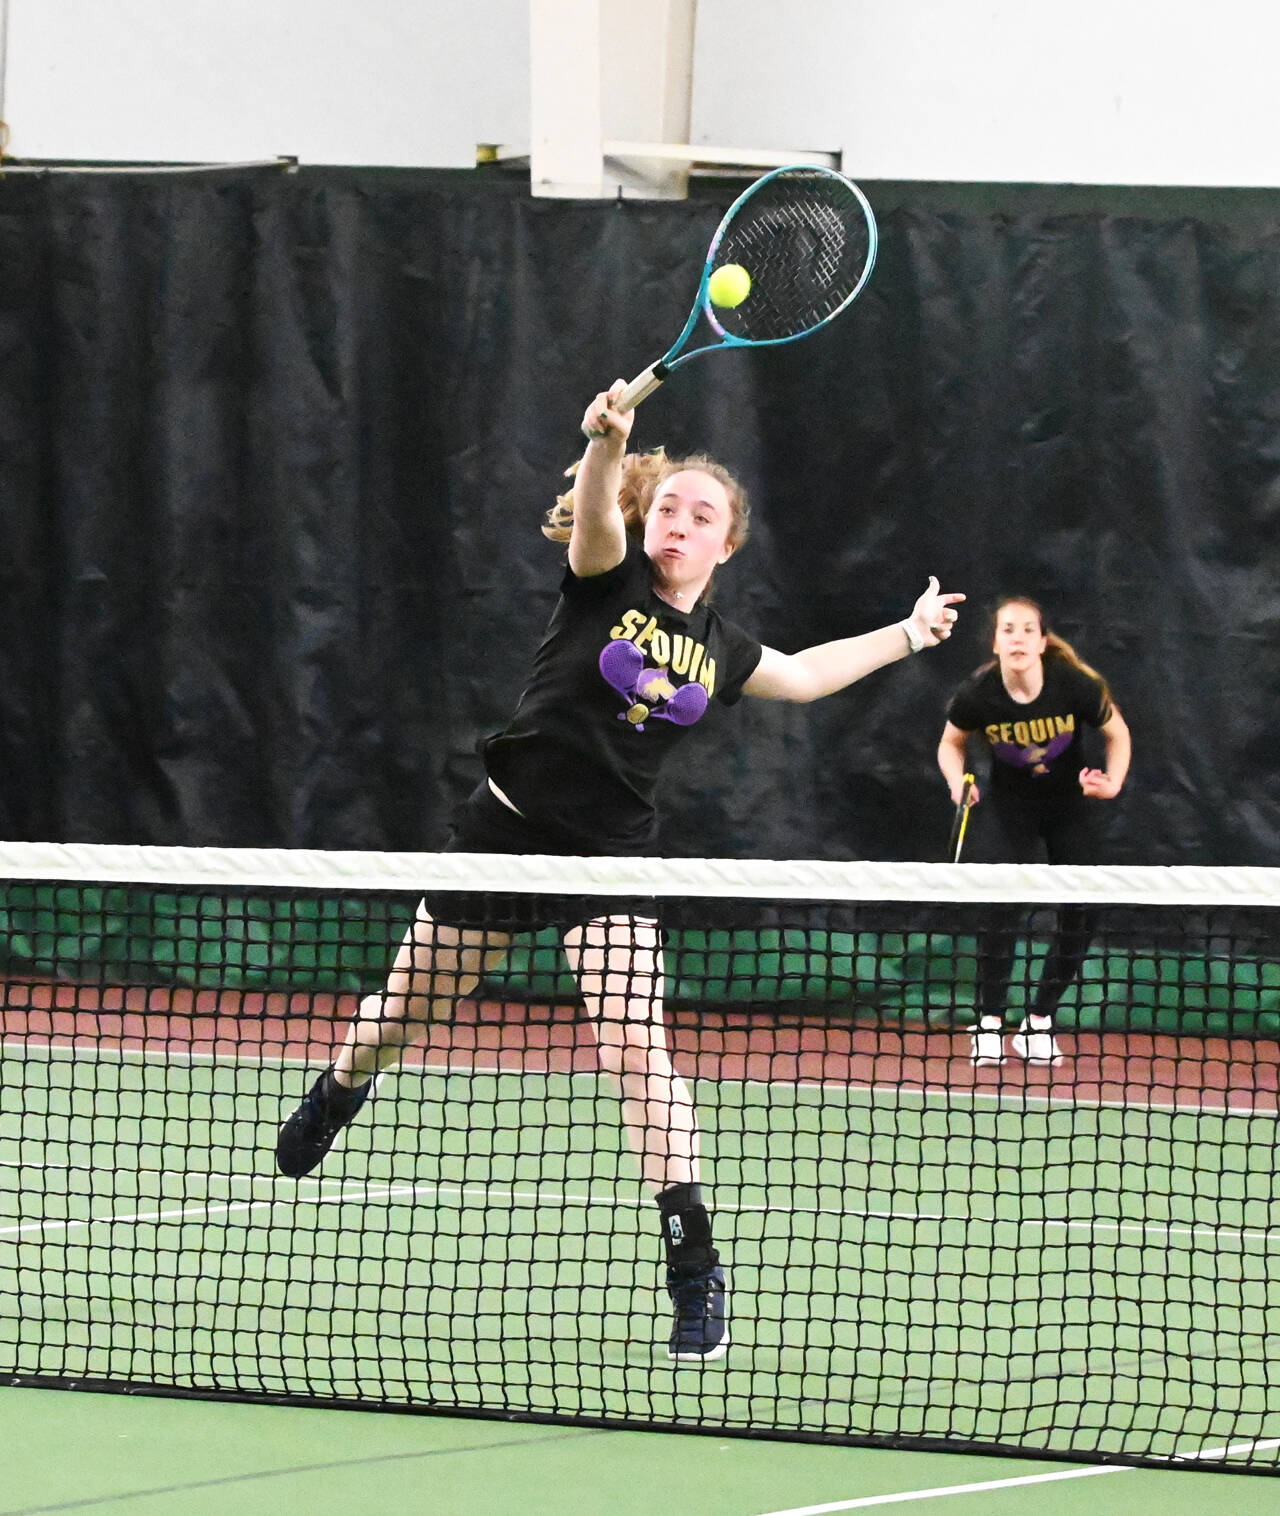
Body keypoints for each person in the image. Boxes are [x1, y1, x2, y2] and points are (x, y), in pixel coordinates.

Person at [276, 380, 965, 1362]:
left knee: (638, 1049)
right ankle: (341, 1087)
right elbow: (597, 513)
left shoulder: (719, 647)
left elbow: (808, 676)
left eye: (702, 516)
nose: (679, 523)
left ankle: (694, 1269)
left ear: (727, 545)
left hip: (608, 858)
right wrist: (606, 443)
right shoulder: (606, 581)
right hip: (504, 837)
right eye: (670, 507)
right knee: (399, 1018)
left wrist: (908, 632)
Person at [936, 595, 1131, 1067]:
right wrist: (957, 783)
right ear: (995, 642)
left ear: (1042, 642)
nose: (1018, 638)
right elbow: (950, 743)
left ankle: (1038, 1022)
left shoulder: (1074, 685)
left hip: (1068, 808)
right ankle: (988, 1024)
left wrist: (1112, 782)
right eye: (1008, 630)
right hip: (1011, 810)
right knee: (1001, 910)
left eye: (1028, 630)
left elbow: (1118, 733)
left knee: (1082, 913)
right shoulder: (979, 695)